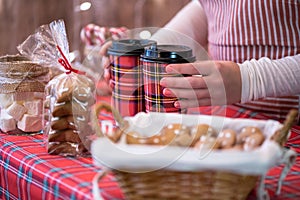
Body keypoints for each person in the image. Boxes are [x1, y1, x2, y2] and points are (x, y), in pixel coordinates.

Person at [102, 0, 300, 122]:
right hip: (231, 118)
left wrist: (251, 80)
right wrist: (150, 48)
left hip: (291, 127)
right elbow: (209, 7)